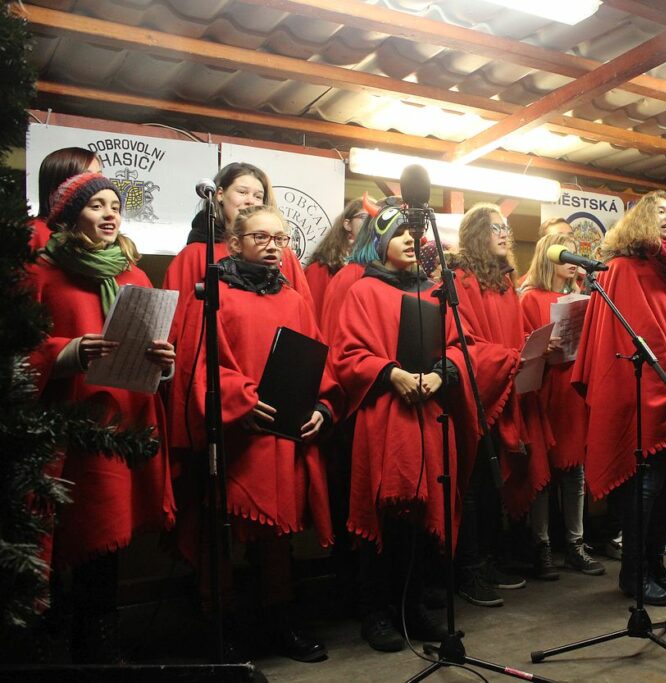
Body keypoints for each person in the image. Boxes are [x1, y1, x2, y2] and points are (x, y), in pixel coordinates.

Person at [176, 204, 341, 663]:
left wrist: (323, 409)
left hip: (285, 437)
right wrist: (239, 400)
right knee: (220, 536)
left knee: (277, 539)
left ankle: (280, 620)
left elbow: (320, 365)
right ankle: (221, 624)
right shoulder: (212, 296)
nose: (273, 247)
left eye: (280, 239)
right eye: (261, 238)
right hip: (236, 437)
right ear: (235, 243)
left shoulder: (295, 300)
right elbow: (198, 366)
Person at [27, 172, 176, 663]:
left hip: (120, 425)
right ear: (71, 217)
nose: (110, 213)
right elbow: (19, 347)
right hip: (64, 426)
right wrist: (67, 351)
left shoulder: (135, 276)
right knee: (58, 532)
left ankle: (99, 642)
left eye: (115, 205)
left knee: (106, 536)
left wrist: (164, 362)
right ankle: (50, 641)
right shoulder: (42, 272)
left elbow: (150, 349)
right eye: (97, 206)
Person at [330, 205, 463, 652]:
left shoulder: (435, 291)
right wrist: (390, 372)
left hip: (428, 414)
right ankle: (376, 612)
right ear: (380, 241)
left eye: (414, 233)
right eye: (400, 233)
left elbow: (461, 345)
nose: (411, 239)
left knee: (421, 516)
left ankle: (412, 607)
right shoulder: (362, 290)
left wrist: (442, 374)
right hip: (384, 415)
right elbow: (346, 355)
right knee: (384, 514)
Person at [572, 190, 666, 606]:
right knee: (646, 483)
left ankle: (656, 566)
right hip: (638, 389)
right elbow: (641, 334)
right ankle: (633, 573)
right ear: (639, 221)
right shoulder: (621, 268)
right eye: (659, 211)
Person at [162, 162, 312, 457]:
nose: (250, 200)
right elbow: (183, 336)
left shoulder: (285, 258)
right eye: (242, 192)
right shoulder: (195, 255)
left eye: (258, 195)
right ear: (219, 194)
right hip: (222, 395)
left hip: (277, 399)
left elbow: (303, 329)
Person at [448, 203, 527, 608]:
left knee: (492, 483)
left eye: (506, 228)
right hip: (476, 393)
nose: (504, 234)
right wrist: (509, 358)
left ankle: (490, 560)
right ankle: (469, 569)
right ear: (478, 233)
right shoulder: (460, 279)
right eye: (496, 227)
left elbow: (516, 334)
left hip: (504, 388)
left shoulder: (505, 281)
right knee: (472, 483)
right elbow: (464, 343)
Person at [519, 232, 605, 580]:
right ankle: (540, 546)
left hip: (571, 391)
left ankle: (575, 544)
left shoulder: (581, 296)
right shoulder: (529, 298)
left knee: (574, 472)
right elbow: (521, 347)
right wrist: (542, 348)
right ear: (548, 257)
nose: (571, 260)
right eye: (564, 253)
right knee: (541, 474)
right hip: (543, 390)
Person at [304, 196, 370, 322]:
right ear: (347, 224)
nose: (371, 223)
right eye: (365, 217)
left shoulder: (376, 265)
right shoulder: (320, 269)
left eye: (375, 218)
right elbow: (312, 319)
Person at [28, 146, 102, 251]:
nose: (98, 184)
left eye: (99, 176)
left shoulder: (100, 233)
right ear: (59, 185)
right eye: (88, 177)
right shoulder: (33, 233)